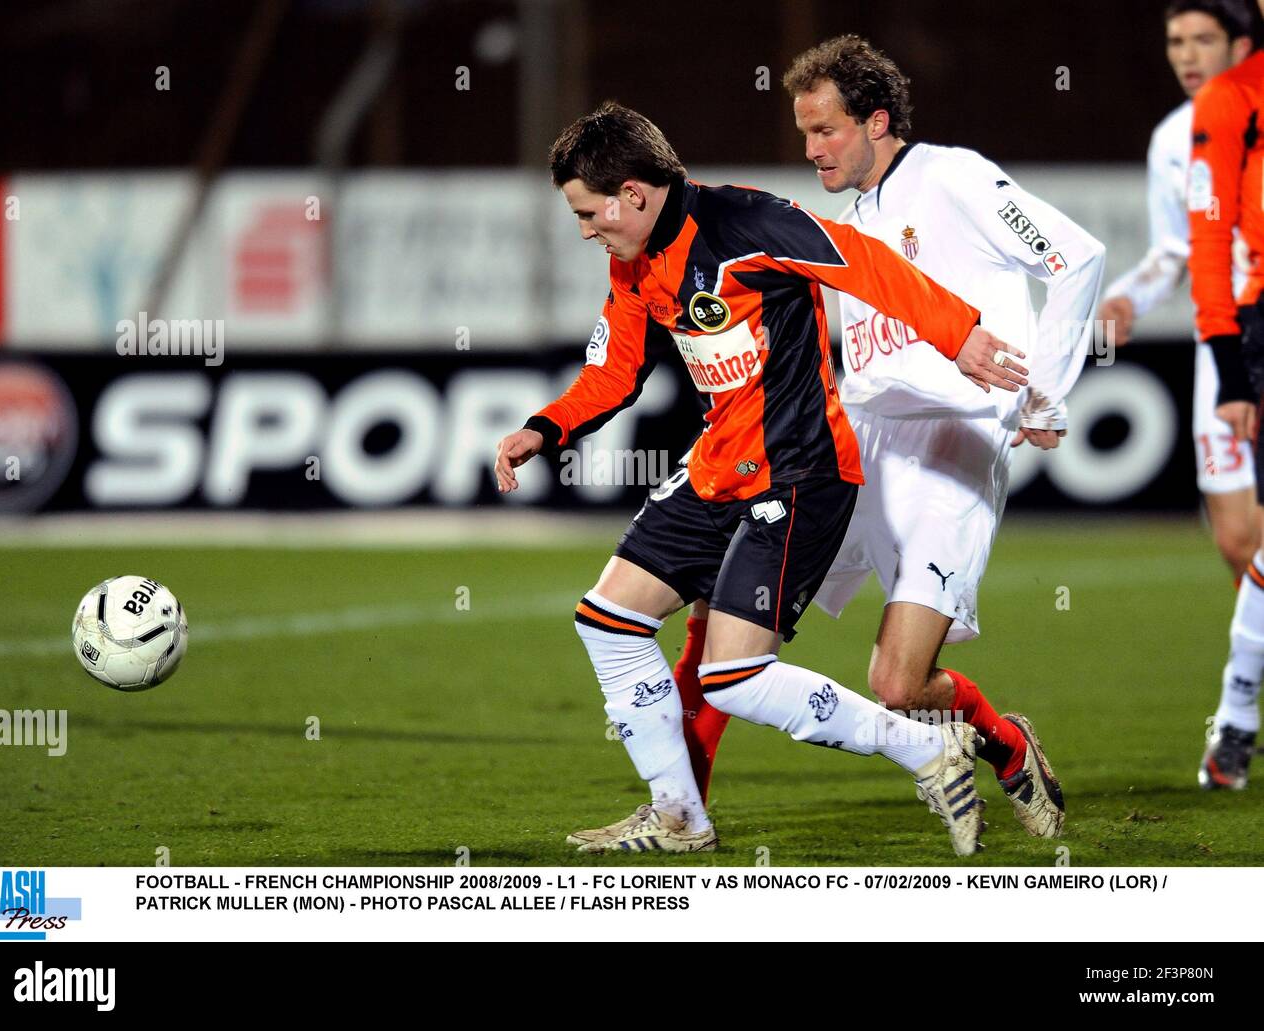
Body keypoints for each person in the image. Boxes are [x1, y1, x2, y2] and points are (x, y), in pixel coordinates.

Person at [496, 101, 1029, 854]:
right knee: (607, 620)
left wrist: (959, 332)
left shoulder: (748, 224)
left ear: (635, 195)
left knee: (735, 676)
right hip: (717, 468)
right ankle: (680, 815)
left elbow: (861, 260)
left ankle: (927, 748)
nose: (587, 229)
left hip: (800, 474)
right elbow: (617, 366)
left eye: (590, 212)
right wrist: (545, 427)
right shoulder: (635, 262)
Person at [621, 35, 1107, 846]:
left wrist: (1045, 386)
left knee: (897, 682)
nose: (810, 149)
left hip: (949, 449)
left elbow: (1077, 256)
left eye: (826, 130)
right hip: (855, 447)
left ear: (878, 120)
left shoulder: (953, 177)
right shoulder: (852, 221)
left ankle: (1004, 738)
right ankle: (681, 814)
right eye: (804, 132)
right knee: (719, 615)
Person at [1100, 0, 1256, 580]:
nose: (1187, 55)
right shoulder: (1171, 139)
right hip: (1221, 344)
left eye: (1202, 39)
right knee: (1237, 540)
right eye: (1176, 41)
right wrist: (1128, 297)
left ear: (1240, 48)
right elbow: (1175, 250)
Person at [1189, 0, 1264, 789]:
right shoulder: (1234, 96)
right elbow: (1208, 238)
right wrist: (1233, 364)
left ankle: (1236, 720)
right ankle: (1238, 713)